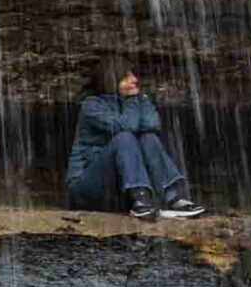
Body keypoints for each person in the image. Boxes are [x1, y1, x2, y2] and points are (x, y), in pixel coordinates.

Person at [62, 60, 206, 220]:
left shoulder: (140, 100)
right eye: (126, 77)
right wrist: (132, 100)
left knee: (149, 138)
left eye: (133, 75)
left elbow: (153, 124)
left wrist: (136, 101)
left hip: (119, 192)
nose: (134, 80)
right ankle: (140, 197)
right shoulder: (92, 105)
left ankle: (173, 197)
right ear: (111, 81)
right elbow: (125, 127)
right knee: (125, 138)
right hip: (87, 189)